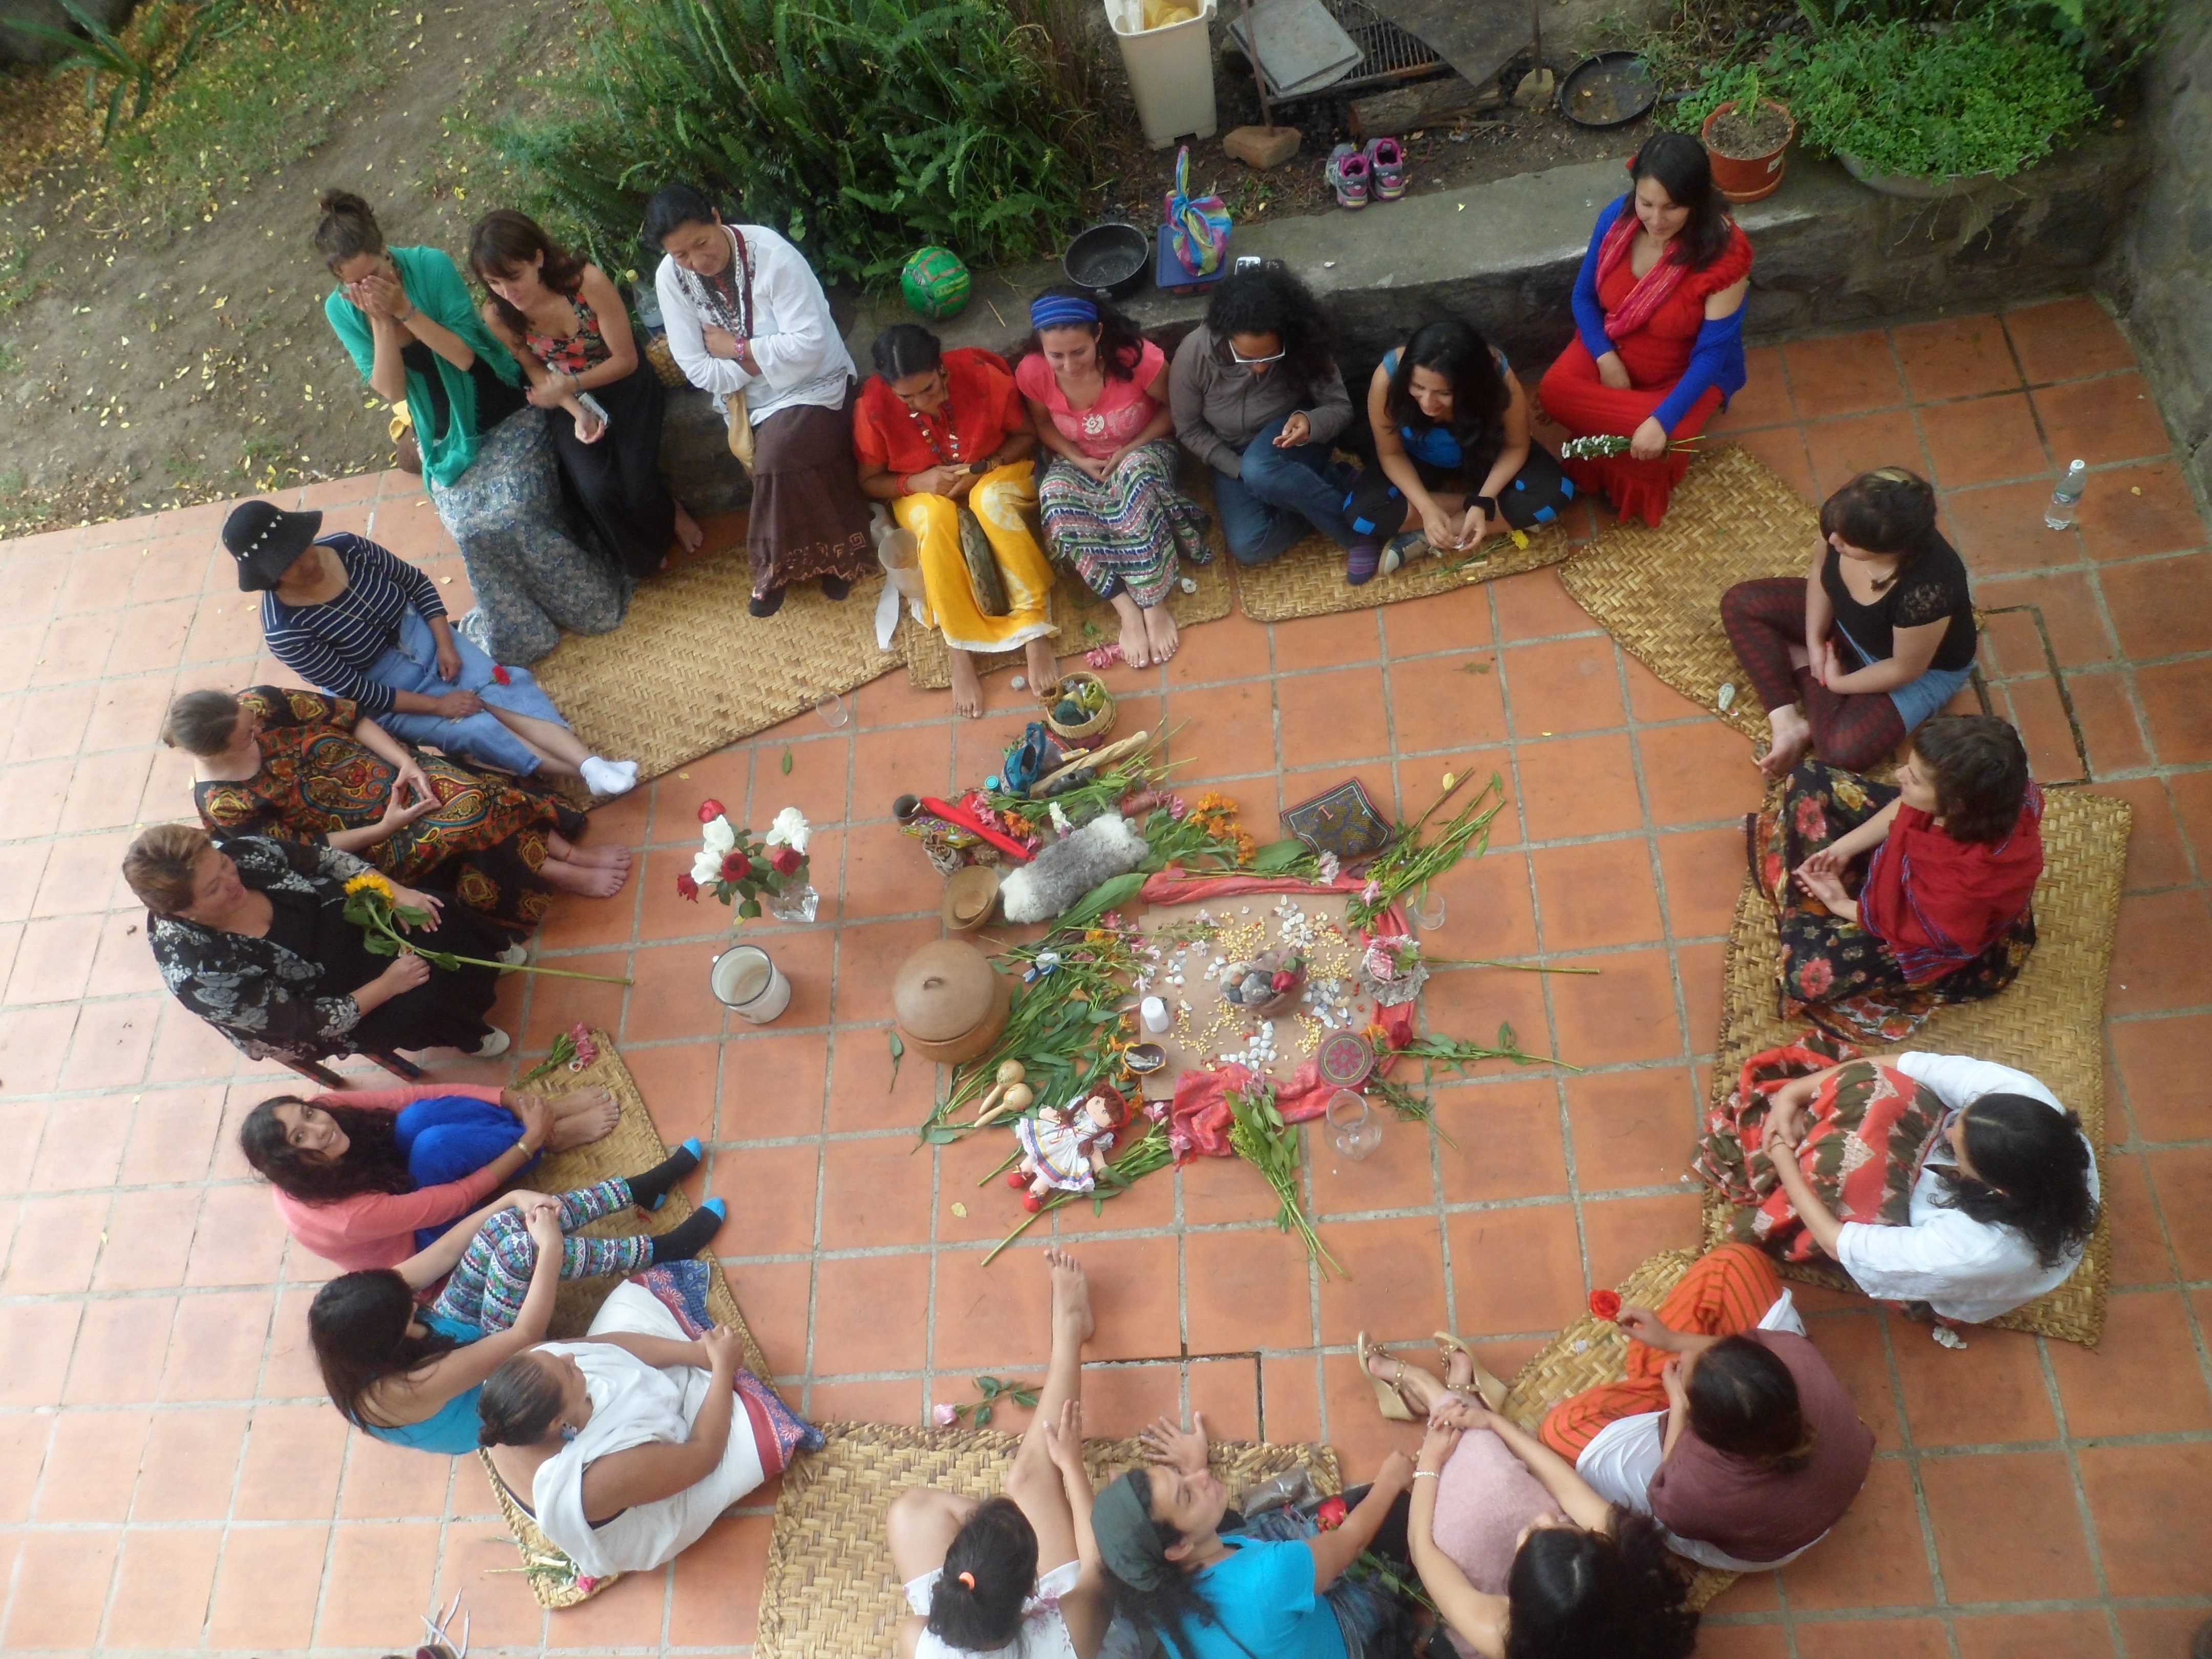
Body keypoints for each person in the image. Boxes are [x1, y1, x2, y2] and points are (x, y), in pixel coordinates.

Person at [1365, 1246, 1871, 1577]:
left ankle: (1441, 1392)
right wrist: (1672, 1341)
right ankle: (1649, 1375)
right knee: (1737, 1263)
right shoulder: (1797, 1359)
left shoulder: (1696, 1486)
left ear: (1700, 1432)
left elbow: (1666, 1492)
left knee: (1562, 1430)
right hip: (1779, 1478)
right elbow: (1732, 1355)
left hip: (1746, 1537)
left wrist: (1675, 1403)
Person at [315, 189, 631, 662]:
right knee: (468, 527)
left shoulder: (430, 266)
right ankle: (524, 629)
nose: (369, 287)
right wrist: (379, 323)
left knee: (511, 513)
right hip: (445, 432)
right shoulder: (342, 310)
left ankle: (585, 600)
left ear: (386, 252)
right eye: (357, 284)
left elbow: (464, 357)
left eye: (375, 273)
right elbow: (392, 390)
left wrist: (405, 311)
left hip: (502, 407)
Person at [310, 1154, 725, 1454]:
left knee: (505, 1227)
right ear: (391, 1338)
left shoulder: (365, 1317)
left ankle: (635, 1190)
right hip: (493, 1394)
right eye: (411, 1310)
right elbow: (523, 1335)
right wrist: (551, 1249)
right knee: (522, 1254)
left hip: (448, 1339)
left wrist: (511, 1201)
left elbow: (447, 1252)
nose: (418, 1302)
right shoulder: (404, 1388)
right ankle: (658, 1250)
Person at [231, 498, 639, 797]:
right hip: (386, 691)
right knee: (477, 727)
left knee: (500, 689)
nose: (307, 562)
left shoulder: (347, 547)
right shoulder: (285, 631)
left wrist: (446, 644)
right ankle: (585, 771)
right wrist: (439, 706)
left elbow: (417, 585)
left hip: (426, 638)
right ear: (269, 576)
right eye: (289, 564)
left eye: (302, 546)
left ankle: (591, 765)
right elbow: (357, 691)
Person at [165, 686, 632, 934]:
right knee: (465, 814)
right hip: (373, 836)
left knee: (464, 787)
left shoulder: (260, 703)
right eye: (248, 735)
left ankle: (566, 857)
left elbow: (352, 718)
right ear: (217, 751)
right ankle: (561, 866)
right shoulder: (225, 804)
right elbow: (309, 850)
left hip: (395, 772)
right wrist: (386, 826)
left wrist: (406, 762)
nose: (258, 730)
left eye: (253, 722)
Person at [476, 1267, 825, 1576]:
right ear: (558, 1422)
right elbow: (704, 1453)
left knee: (630, 1303)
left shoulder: (521, 1377)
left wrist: (697, 1354)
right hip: (645, 1506)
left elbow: (602, 1347)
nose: (568, 1356)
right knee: (749, 1444)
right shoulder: (597, 1480)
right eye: (568, 1372)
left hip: (613, 1453)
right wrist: (722, 1368)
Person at [646, 182, 874, 616]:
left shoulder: (772, 255)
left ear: (717, 218)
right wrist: (757, 361)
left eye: (702, 244)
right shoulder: (670, 278)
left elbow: (809, 346)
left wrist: (735, 348)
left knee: (779, 454)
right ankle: (833, 554)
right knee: (782, 453)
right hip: (746, 397)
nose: (697, 262)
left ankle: (781, 565)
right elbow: (697, 369)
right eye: (681, 255)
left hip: (817, 381)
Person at [885, 1247, 1113, 1659]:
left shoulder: (918, 1640)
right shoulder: (1067, 1635)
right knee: (1029, 1480)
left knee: (909, 1515)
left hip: (983, 1622)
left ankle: (1000, 1542)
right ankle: (1071, 1327)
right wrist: (1072, 1467)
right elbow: (1099, 1572)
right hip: (1089, 1638)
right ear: (1035, 1592)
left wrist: (999, 1549)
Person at [129, 825, 511, 1069]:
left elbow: (324, 859)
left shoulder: (241, 853)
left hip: (353, 923)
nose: (233, 880)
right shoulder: (201, 973)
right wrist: (387, 986)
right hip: (329, 1000)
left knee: (430, 906)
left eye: (224, 864)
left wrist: (394, 891)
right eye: (214, 888)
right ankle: (470, 1034)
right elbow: (306, 1023)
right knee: (419, 1005)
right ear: (183, 911)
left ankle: (491, 953)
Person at [1762, 1051, 2099, 1327]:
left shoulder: (1975, 1250)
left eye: (1958, 1150)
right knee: (1871, 1083)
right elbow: (1912, 1064)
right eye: (1958, 1118)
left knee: (1842, 1180)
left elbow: (1835, 1241)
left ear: (1995, 1190)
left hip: (1948, 1281)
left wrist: (1782, 1153)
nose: (1947, 1133)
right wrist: (1794, 1093)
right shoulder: (2019, 1097)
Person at [1759, 713, 2043, 1040]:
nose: (1898, 775)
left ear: (1956, 805)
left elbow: (1919, 931)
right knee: (1808, 776)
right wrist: (1841, 850)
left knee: (1803, 977)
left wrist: (1839, 904)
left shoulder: (1967, 882)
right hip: (1911, 876)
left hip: (1924, 932)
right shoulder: (2003, 795)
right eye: (1909, 767)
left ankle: (1811, 903)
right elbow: (1907, 807)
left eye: (1915, 779)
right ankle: (1812, 906)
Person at [470, 208, 703, 576]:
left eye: (513, 278)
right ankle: (642, 557)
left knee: (636, 485)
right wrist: (576, 410)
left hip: (622, 381)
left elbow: (626, 359)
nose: (507, 293)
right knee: (596, 488)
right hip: (569, 398)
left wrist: (573, 384)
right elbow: (534, 368)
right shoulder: (499, 314)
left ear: (538, 259)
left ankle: (671, 509)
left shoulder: (585, 282)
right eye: (494, 283)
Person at [1538, 133, 1752, 526]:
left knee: (1671, 431)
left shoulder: (1725, 254)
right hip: (1613, 344)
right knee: (1552, 392)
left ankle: (1609, 447)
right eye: (1647, 203)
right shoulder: (1616, 221)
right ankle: (1625, 438)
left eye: (1672, 207)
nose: (1655, 220)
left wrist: (1661, 421)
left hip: (1681, 373)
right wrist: (1606, 360)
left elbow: (1712, 354)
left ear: (1697, 201)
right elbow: (1584, 298)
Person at [856, 324, 1058, 718]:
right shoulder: (874, 408)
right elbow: (870, 482)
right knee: (932, 519)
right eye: (906, 397)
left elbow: (1026, 436)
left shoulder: (980, 376)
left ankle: (1034, 627)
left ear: (941, 367)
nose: (921, 404)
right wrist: (916, 482)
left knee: (990, 501)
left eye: (928, 389)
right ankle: (958, 643)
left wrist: (983, 469)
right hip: (922, 489)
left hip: (994, 471)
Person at [1722, 469, 1979, 777]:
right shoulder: (1843, 519)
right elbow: (1819, 572)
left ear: (1884, 549)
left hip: (1911, 668)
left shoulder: (1929, 589)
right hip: (1846, 623)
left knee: (1842, 751)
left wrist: (1837, 683)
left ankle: (1806, 668)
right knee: (1742, 603)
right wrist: (1815, 640)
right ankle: (1788, 722)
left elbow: (1905, 669)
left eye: (1847, 543)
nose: (1832, 540)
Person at [1090, 1421, 1418, 1656]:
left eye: (1182, 1476)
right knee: (1397, 1511)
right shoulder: (1268, 1576)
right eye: (1186, 1495)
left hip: (1274, 1609)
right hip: (1351, 1638)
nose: (1201, 1476)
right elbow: (1351, 1541)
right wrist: (1391, 1479)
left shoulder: (1155, 1593)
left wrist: (1190, 1474)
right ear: (1177, 1548)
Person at [1405, 1402, 1700, 1659]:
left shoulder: (1497, 1633)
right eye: (1562, 1525)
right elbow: (1568, 1488)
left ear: (1516, 1602)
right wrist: (1494, 1422)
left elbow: (1421, 1548)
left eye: (1534, 1532)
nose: (1546, 1517)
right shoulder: (1630, 1554)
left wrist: (1430, 1461)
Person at [239, 1079, 623, 1270]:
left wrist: (506, 1098)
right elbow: (454, 1201)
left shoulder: (325, 1113)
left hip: (390, 1183)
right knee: (434, 1146)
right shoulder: (344, 1217)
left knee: (417, 1118)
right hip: (419, 1245)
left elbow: (411, 1097)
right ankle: (546, 1138)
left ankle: (542, 1118)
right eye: (300, 1138)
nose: (320, 1127)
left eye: (308, 1115)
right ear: (290, 1163)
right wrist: (529, 1143)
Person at [1017, 289, 1210, 668]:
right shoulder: (1032, 371)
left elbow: (1177, 410)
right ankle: (1126, 608)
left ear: (1099, 334)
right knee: (1054, 494)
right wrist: (1078, 459)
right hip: (1080, 460)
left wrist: (1129, 449)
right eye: (1056, 356)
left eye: (1079, 352)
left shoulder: (1137, 359)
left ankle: (1153, 603)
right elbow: (1042, 424)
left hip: (1145, 449)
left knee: (1135, 479)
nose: (1069, 366)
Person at [1341, 320, 1576, 584]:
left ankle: (1427, 537)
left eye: (1444, 393)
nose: (1428, 402)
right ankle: (1502, 514)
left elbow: (1516, 445)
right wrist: (1427, 508)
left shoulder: (1497, 376)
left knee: (1558, 491)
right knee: (1361, 514)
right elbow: (1391, 454)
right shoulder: (1388, 378)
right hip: (1418, 457)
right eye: (1418, 387)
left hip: (1484, 452)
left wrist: (1483, 501)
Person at [1169, 264, 1358, 568]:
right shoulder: (1194, 356)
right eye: (1246, 357)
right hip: (1234, 453)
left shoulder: (1304, 344)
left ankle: (1357, 529)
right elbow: (1189, 430)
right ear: (1225, 337)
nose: (1259, 368)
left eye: (1270, 356)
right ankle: (1324, 484)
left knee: (1261, 470)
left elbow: (1340, 408)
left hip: (1294, 441)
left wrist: (1310, 423)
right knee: (1249, 546)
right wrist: (1238, 468)